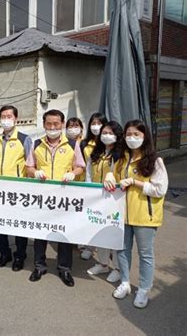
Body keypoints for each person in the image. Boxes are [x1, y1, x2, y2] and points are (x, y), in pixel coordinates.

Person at [108, 120, 168, 309]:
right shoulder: (122, 158)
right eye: (128, 134)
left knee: (145, 254)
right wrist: (109, 176)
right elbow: (115, 179)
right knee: (122, 250)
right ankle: (125, 282)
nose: (132, 138)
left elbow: (160, 189)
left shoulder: (154, 161)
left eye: (136, 135)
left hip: (145, 216)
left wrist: (136, 182)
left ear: (145, 137)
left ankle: (143, 289)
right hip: (123, 214)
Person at [26, 109, 85, 287]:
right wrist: (35, 171)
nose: (52, 127)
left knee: (63, 234)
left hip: (64, 198)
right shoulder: (36, 144)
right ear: (44, 125)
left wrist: (73, 174)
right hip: (42, 198)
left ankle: (64, 269)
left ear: (62, 124)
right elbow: (29, 167)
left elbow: (80, 166)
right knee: (40, 233)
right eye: (49, 124)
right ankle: (39, 266)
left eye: (56, 124)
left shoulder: (72, 144)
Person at [0, 105, 32, 272]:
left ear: (16, 119)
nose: (6, 119)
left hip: (18, 191)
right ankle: (4, 253)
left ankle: (20, 255)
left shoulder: (24, 139)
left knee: (19, 225)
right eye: (3, 116)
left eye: (9, 116)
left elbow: (30, 164)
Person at [85, 121, 124, 283]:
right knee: (98, 234)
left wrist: (112, 178)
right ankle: (103, 264)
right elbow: (88, 173)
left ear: (117, 135)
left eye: (110, 133)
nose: (106, 136)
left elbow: (123, 176)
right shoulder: (96, 152)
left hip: (114, 200)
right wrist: (87, 191)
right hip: (96, 199)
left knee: (113, 234)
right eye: (104, 133)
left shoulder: (122, 154)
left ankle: (118, 268)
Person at [79, 112, 108, 260]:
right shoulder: (84, 143)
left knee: (105, 220)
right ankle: (89, 247)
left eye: (99, 123)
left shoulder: (109, 144)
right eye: (93, 123)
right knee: (90, 218)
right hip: (88, 186)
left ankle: (106, 251)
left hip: (108, 188)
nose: (96, 126)